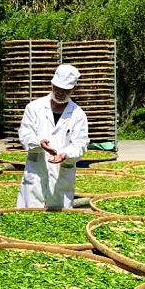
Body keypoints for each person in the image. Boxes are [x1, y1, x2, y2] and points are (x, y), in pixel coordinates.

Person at [15, 64, 89, 209]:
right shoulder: (34, 107)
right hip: (35, 173)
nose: (60, 92)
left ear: (74, 89)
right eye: (57, 88)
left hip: (62, 177)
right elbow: (25, 134)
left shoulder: (78, 115)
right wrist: (38, 143)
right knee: (30, 217)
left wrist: (65, 154)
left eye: (65, 90)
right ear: (52, 84)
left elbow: (80, 145)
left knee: (59, 221)